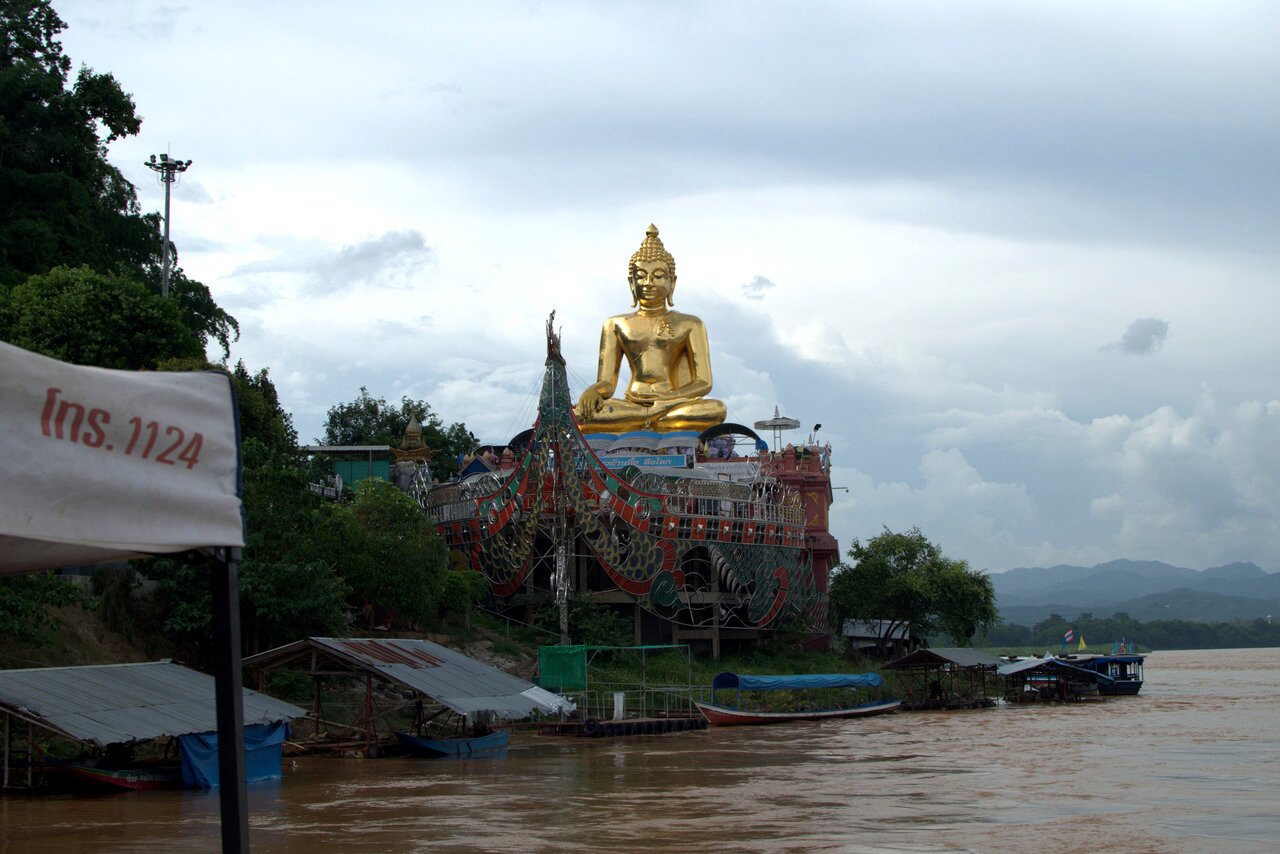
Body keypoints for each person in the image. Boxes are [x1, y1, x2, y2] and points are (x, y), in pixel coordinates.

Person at [575, 225, 727, 433]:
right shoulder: (615, 324)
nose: (648, 283)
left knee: (716, 409)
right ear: (631, 283)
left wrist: (668, 398)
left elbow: (704, 382)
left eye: (657, 276)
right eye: (641, 276)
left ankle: (644, 420)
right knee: (580, 415)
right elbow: (607, 383)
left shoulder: (691, 323)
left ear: (672, 283)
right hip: (634, 402)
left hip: (673, 401)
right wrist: (594, 391)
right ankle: (650, 417)